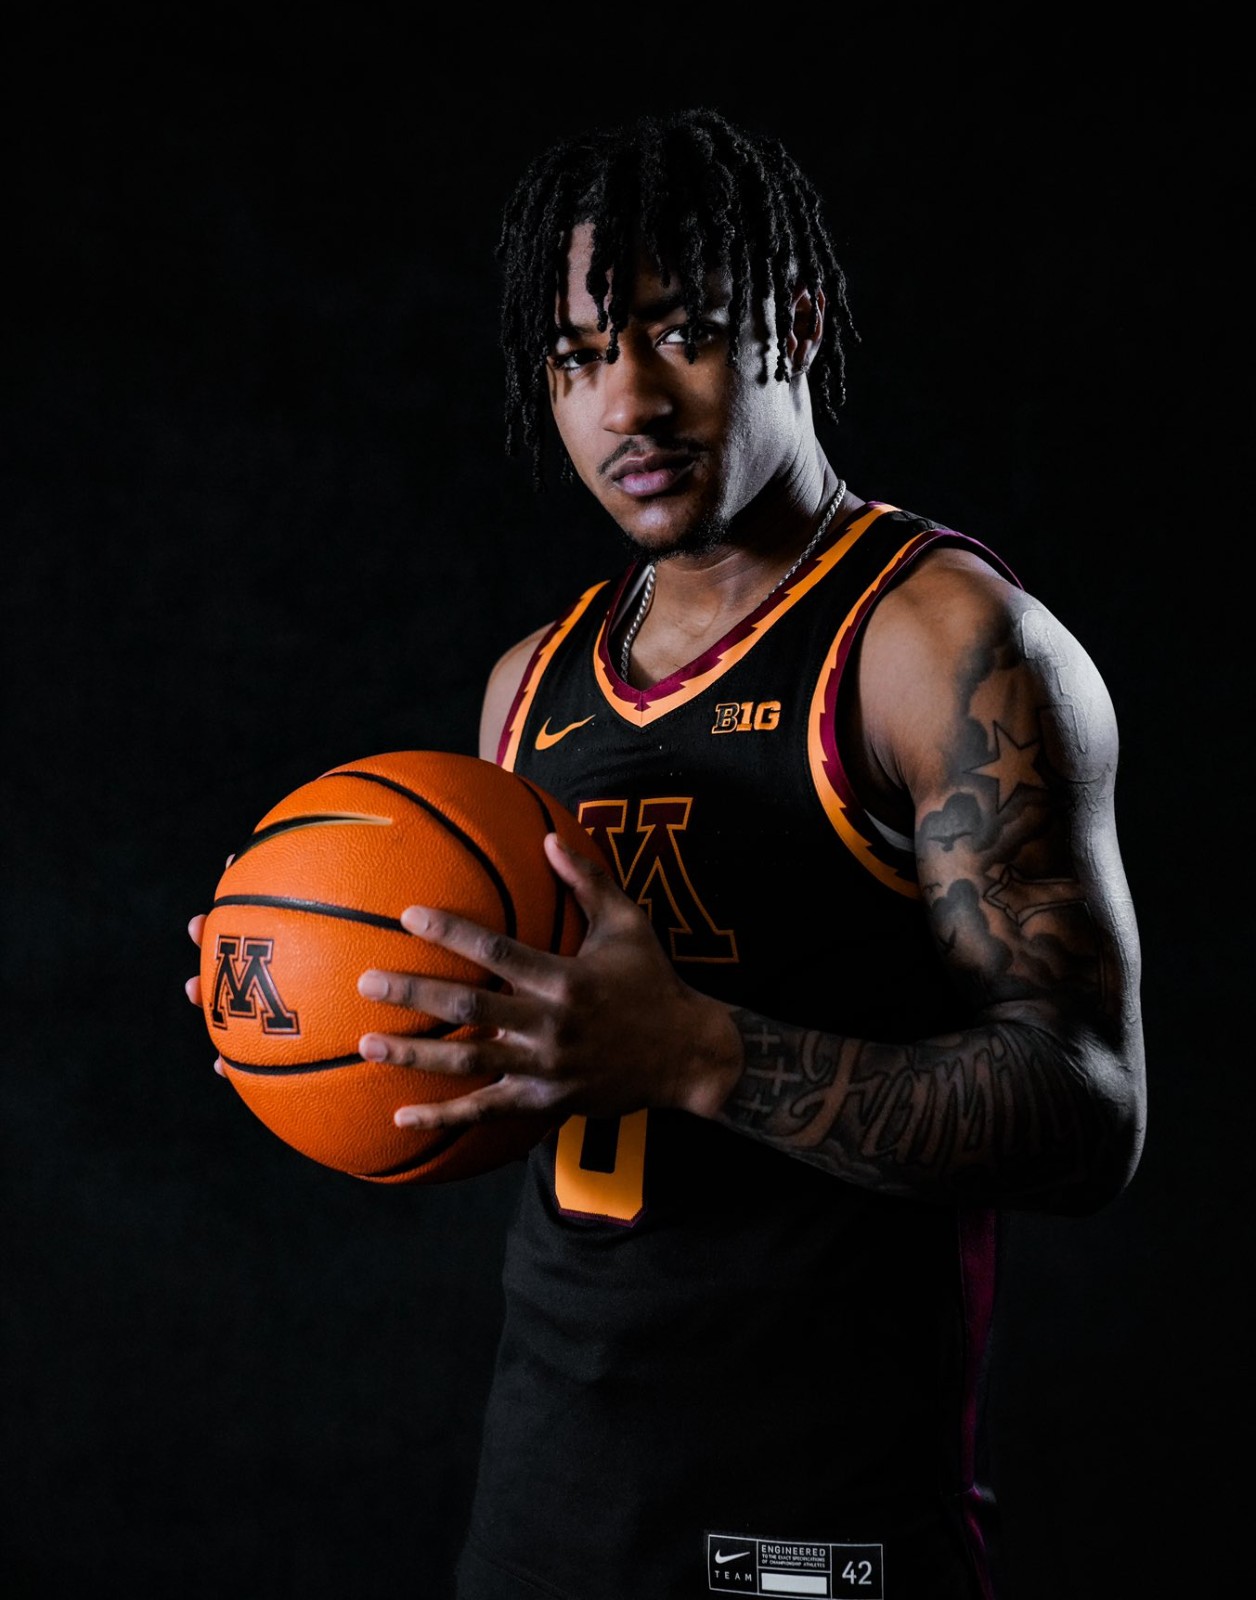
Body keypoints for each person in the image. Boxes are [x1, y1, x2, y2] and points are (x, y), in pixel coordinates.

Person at [190, 107, 1146, 1600]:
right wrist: (315, 1001)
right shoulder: (531, 686)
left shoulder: (941, 644)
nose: (628, 403)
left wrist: (699, 1054)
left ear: (798, 325)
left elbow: (1088, 1113)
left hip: (819, 1520)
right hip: (549, 1497)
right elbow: (519, 1069)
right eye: (577, 359)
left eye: (684, 334)